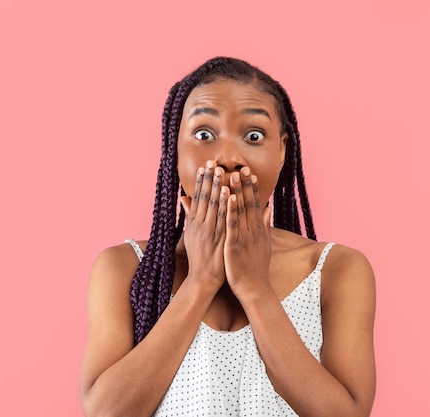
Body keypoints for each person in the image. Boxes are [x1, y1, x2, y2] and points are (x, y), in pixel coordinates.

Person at [80, 57, 376, 417]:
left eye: (254, 135)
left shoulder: (336, 270)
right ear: (175, 149)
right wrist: (201, 281)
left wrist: (254, 289)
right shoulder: (125, 268)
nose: (229, 157)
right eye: (204, 134)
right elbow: (106, 412)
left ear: (282, 150)